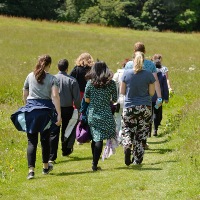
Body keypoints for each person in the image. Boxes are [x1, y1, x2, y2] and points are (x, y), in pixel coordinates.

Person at [11, 55, 62, 180]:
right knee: (45, 140)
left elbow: (25, 93)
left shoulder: (30, 76)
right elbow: (55, 96)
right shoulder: (52, 79)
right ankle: (45, 167)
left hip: (31, 111)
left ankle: (31, 171)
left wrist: (27, 105)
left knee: (32, 141)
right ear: (49, 65)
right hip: (46, 112)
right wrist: (59, 114)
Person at [125, 42, 162, 149]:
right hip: (146, 98)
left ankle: (130, 142)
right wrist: (159, 97)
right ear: (145, 51)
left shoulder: (128, 65)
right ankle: (143, 143)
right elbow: (156, 82)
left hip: (130, 98)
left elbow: (125, 81)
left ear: (134, 51)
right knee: (145, 122)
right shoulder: (150, 65)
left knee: (130, 121)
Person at [120, 51, 155, 166]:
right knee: (141, 134)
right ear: (143, 60)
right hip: (144, 107)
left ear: (132, 60)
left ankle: (127, 145)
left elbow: (122, 91)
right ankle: (137, 160)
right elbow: (151, 93)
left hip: (129, 106)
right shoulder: (149, 74)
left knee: (127, 129)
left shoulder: (126, 74)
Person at [83, 61, 117, 171]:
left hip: (93, 114)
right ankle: (94, 163)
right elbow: (115, 99)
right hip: (106, 113)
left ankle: (94, 163)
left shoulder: (90, 83)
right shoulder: (111, 83)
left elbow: (87, 99)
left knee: (95, 138)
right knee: (99, 139)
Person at [49, 59, 81, 163]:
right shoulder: (72, 80)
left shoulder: (52, 79)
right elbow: (76, 98)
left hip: (54, 108)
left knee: (54, 132)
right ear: (67, 68)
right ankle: (66, 150)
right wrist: (78, 108)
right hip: (68, 108)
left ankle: (52, 156)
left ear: (58, 67)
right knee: (67, 129)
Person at [112, 58, 130, 139]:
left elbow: (113, 87)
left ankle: (116, 137)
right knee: (125, 120)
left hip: (117, 100)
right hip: (128, 100)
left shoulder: (117, 74)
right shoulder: (130, 74)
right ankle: (122, 137)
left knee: (117, 119)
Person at [151, 59, 169, 136]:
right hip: (159, 98)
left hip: (149, 98)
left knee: (149, 114)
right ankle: (155, 129)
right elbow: (165, 87)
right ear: (160, 66)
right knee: (156, 112)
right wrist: (166, 98)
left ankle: (148, 131)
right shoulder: (162, 75)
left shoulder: (149, 74)